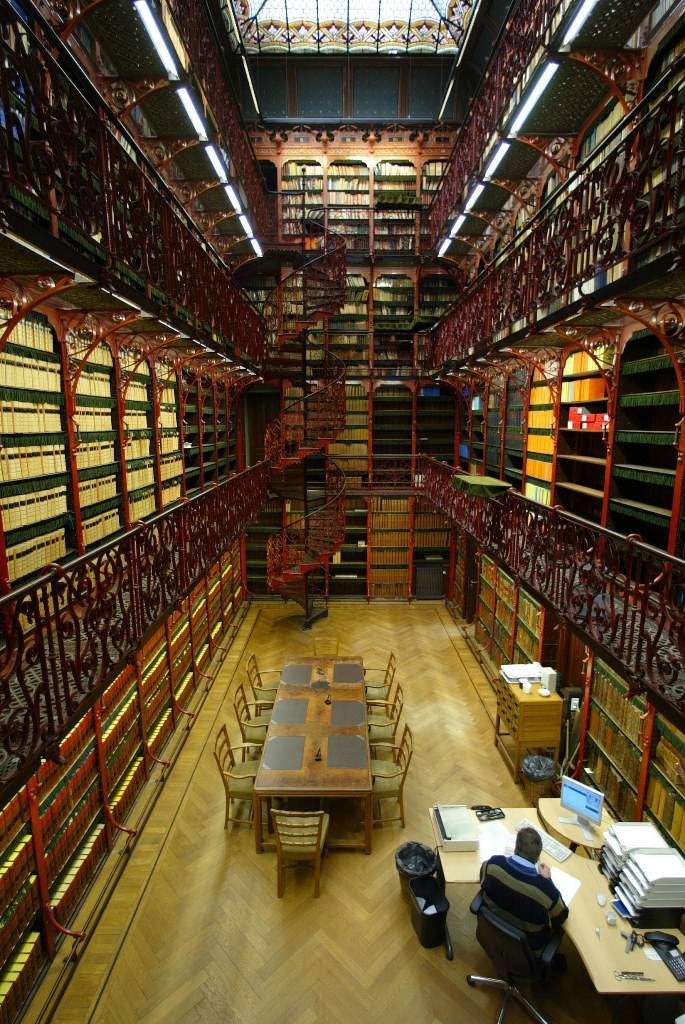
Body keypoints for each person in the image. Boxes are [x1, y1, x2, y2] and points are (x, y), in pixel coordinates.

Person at [479, 826, 568, 953]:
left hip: (491, 931)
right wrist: (548, 880)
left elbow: (482, 879)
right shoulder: (546, 892)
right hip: (526, 948)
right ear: (537, 858)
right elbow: (561, 916)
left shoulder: (493, 864)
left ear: (515, 847)